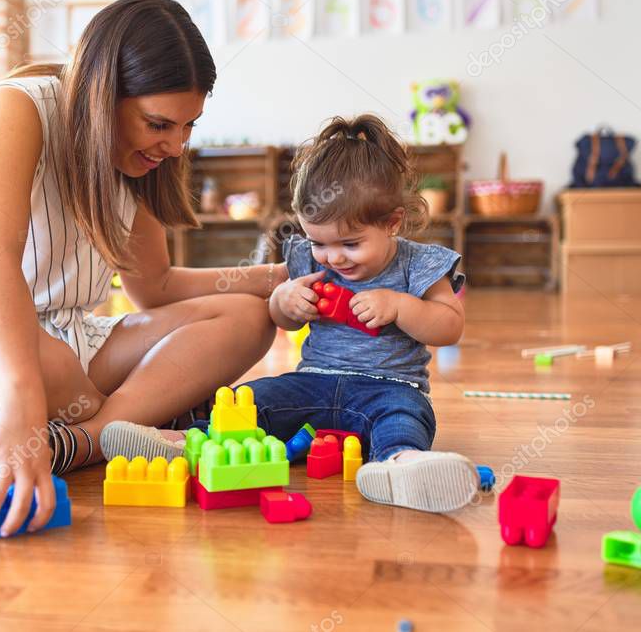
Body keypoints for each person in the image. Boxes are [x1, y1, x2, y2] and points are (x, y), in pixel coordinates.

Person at [0, 0, 279, 537]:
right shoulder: (16, 110)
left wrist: (271, 279)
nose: (176, 146)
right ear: (105, 94)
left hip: (70, 359)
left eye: (188, 126)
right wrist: (19, 398)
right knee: (44, 361)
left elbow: (154, 287)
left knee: (247, 315)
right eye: (159, 124)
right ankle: (124, 424)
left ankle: (95, 434)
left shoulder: (141, 159)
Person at [106, 114, 477, 512]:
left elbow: (449, 326)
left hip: (389, 387)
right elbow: (283, 320)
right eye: (319, 242)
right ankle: (187, 443)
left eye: (350, 244)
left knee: (405, 418)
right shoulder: (308, 260)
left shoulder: (418, 263)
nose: (333, 257)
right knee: (251, 399)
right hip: (312, 382)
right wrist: (285, 301)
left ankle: (399, 465)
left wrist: (401, 306)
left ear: (392, 223)